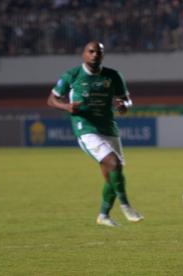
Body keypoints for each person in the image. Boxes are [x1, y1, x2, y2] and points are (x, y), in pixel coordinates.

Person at [47, 41, 143, 227]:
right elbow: (51, 99)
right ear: (84, 54)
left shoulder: (113, 76)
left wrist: (124, 106)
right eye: (90, 52)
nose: (94, 55)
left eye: (98, 52)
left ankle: (103, 216)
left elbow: (127, 101)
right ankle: (126, 207)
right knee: (113, 163)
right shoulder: (72, 75)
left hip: (108, 127)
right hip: (85, 128)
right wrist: (66, 106)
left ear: (103, 55)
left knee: (113, 175)